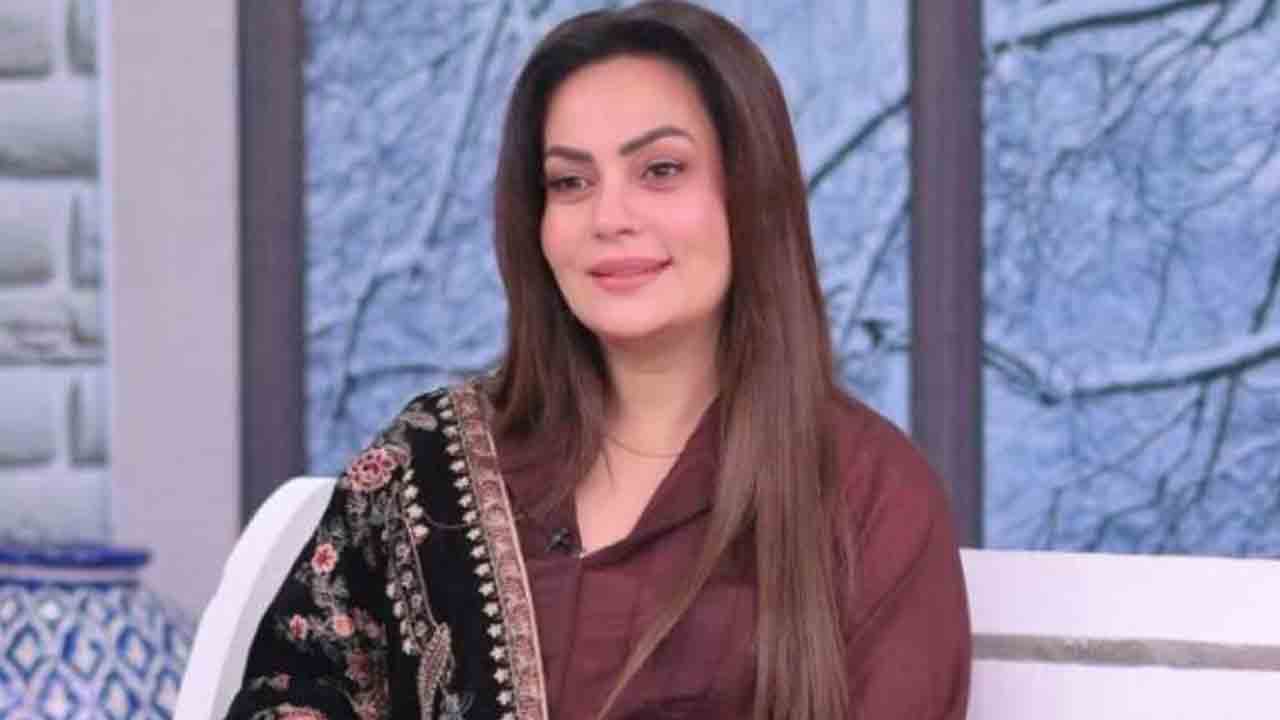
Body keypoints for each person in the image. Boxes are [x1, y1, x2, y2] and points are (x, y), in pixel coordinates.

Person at [226, 2, 971, 718]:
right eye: (570, 182)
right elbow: (294, 686)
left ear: (750, 195)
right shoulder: (428, 465)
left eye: (661, 170)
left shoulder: (866, 496)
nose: (610, 218)